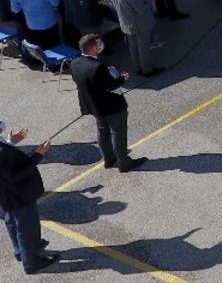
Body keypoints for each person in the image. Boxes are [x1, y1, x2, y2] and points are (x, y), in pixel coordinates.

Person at [71, 33, 149, 172]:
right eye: (99, 44)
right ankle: (124, 163)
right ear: (93, 49)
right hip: (111, 106)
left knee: (103, 132)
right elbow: (110, 85)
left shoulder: (75, 63)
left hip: (94, 106)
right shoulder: (97, 67)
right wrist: (122, 78)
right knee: (118, 132)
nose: (101, 46)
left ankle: (109, 159)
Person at [0, 122, 58, 274]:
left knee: (12, 221)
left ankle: (22, 251)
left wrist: (9, 142)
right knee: (27, 226)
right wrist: (38, 156)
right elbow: (17, 174)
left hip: (5, 195)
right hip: (17, 194)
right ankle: (31, 262)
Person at [107, 0, 161, 77]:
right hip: (140, 25)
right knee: (143, 47)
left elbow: (115, 6)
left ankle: (138, 68)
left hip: (126, 24)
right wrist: (149, 0)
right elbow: (141, 9)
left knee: (133, 47)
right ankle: (147, 69)